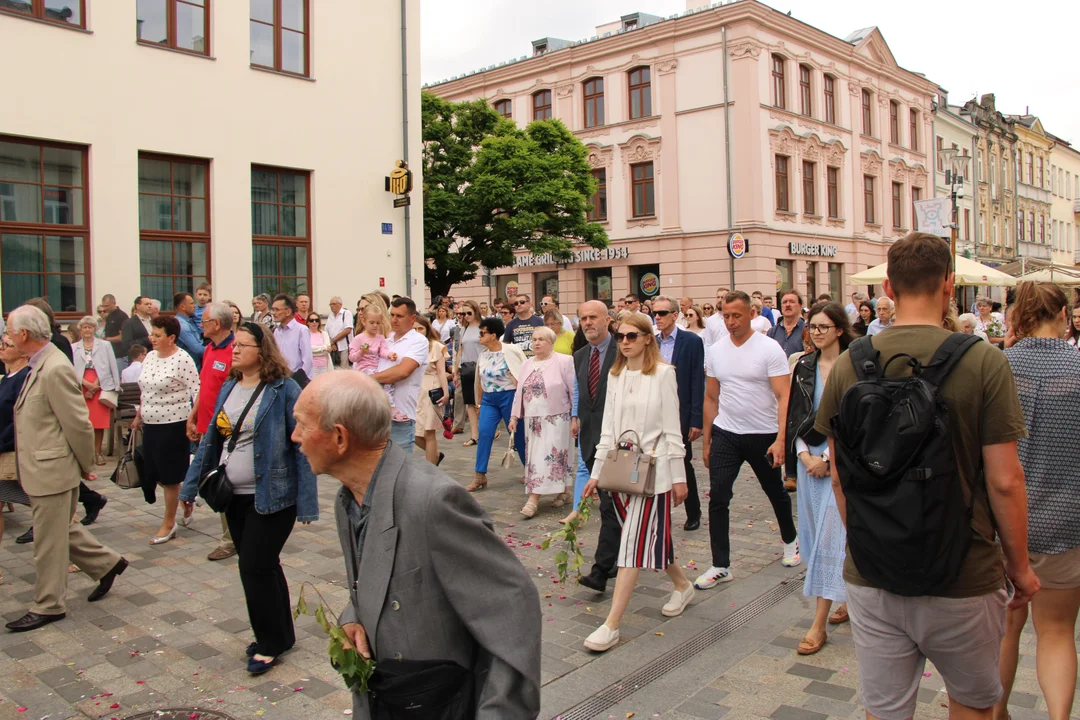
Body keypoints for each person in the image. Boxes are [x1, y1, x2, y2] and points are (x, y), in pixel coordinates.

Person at [815, 232, 1038, 720]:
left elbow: (838, 477)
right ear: (949, 285)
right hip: (964, 569)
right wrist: (1019, 568)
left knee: (885, 710)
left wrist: (869, 541)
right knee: (974, 706)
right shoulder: (984, 361)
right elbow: (1005, 481)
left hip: (874, 573)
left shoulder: (850, 364)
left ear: (889, 288)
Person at [289, 373, 540, 717]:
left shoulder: (433, 501)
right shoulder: (347, 498)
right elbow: (378, 577)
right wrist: (354, 615)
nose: (295, 437)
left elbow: (514, 610)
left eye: (302, 424)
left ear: (339, 437)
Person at [181, 321, 317, 675]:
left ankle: (270, 644)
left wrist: (307, 501)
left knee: (253, 565)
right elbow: (212, 441)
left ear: (262, 351)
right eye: (234, 345)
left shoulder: (284, 389)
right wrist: (189, 488)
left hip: (272, 495)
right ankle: (280, 635)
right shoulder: (230, 387)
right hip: (233, 496)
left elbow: (301, 446)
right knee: (263, 566)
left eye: (243, 345)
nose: (235, 350)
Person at [4, 306, 128, 633]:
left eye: (9, 330)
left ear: (24, 335)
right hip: (42, 467)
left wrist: (87, 464)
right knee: (59, 529)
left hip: (52, 469)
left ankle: (48, 605)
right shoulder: (39, 363)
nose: (6, 336)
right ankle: (108, 564)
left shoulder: (54, 367)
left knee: (47, 541)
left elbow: (78, 424)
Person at [579, 313, 696, 651]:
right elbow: (607, 430)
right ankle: (682, 585)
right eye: (620, 336)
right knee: (646, 536)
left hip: (655, 473)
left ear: (648, 338)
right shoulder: (614, 375)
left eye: (632, 335)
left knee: (631, 544)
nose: (625, 341)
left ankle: (611, 625)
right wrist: (596, 473)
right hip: (621, 469)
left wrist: (679, 478)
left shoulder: (663, 375)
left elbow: (673, 430)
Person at [997, 282, 1080, 720]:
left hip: (1003, 522)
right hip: (1068, 520)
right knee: (1058, 632)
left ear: (1019, 316)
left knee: (1005, 632)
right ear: (1064, 314)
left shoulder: (999, 365)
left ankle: (997, 714)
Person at [696, 291, 800, 590]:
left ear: (752, 314)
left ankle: (791, 540)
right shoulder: (716, 350)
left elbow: (784, 397)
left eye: (736, 316)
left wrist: (781, 439)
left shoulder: (769, 348)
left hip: (763, 434)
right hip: (727, 433)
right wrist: (707, 440)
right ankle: (720, 564)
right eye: (726, 316)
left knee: (774, 491)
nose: (731, 322)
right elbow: (711, 397)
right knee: (718, 496)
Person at [786, 301, 852, 655]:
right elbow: (795, 415)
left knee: (832, 535)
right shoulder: (803, 365)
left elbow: (856, 419)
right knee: (814, 538)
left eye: (824, 327)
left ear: (840, 330)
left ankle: (818, 623)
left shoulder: (854, 365)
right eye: (813, 326)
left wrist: (828, 458)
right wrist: (804, 455)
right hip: (807, 460)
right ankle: (844, 596)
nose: (816, 332)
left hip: (840, 463)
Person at [131, 315, 201, 545]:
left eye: (157, 335)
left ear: (172, 338)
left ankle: (169, 523)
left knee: (170, 477)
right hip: (150, 423)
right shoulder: (150, 357)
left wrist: (193, 419)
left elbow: (197, 391)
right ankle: (184, 497)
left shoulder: (183, 359)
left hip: (173, 425)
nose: (152, 338)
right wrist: (139, 414)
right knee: (154, 472)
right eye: (152, 334)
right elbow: (145, 389)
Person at [184, 302, 238, 562]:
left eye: (204, 321)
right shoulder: (209, 349)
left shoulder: (234, 351)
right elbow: (205, 388)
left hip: (224, 431)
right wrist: (194, 416)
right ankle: (232, 535)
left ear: (217, 324)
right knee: (215, 481)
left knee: (223, 483)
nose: (200, 325)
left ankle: (230, 540)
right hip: (207, 427)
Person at [508, 327, 575, 517]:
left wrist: (575, 418)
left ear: (551, 342)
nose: (536, 343)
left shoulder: (564, 361)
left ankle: (533, 498)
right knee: (536, 457)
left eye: (541, 339)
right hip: (532, 419)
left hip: (557, 418)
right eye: (534, 339)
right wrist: (514, 416)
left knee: (552, 456)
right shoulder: (527, 364)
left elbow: (573, 391)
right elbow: (519, 392)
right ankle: (564, 491)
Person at [652, 296, 706, 531]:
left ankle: (693, 512)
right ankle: (655, 512)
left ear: (675, 315)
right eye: (655, 313)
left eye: (663, 313)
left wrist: (696, 419)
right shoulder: (651, 341)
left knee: (682, 460)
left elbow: (697, 381)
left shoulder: (691, 341)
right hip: (655, 411)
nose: (658, 317)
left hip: (681, 411)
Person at [468, 316, 527, 491]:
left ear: (493, 335)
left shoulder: (511, 350)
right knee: (484, 433)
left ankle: (530, 470)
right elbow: (479, 380)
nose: (479, 336)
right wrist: (478, 404)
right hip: (489, 399)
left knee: (517, 434)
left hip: (509, 396)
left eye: (482, 333)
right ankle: (480, 475)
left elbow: (524, 370)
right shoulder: (483, 355)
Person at [370, 298, 430, 453]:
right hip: (379, 413)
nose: (394, 320)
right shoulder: (386, 341)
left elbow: (403, 371)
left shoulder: (418, 341)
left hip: (402, 414)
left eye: (399, 316)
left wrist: (369, 379)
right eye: (392, 315)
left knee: (400, 467)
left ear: (412, 319)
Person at [0, 332, 33, 585]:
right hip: (4, 452)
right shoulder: (7, 377)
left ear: (22, 351)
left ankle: (75, 556)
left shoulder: (24, 377)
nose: (2, 347)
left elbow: (18, 419)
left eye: (7, 344)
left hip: (16, 453)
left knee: (45, 507)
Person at [72, 316, 121, 466]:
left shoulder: (105, 345)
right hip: (81, 384)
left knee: (98, 423)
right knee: (82, 422)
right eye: (85, 327)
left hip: (101, 384)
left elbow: (111, 365)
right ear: (80, 330)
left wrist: (96, 385)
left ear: (95, 329)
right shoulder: (74, 347)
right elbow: (71, 369)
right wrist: (85, 384)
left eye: (90, 327)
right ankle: (84, 454)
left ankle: (98, 453)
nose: (87, 330)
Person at [411, 315, 449, 466]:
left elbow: (441, 372)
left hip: (432, 389)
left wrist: (446, 393)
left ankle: (431, 468)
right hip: (415, 391)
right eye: (414, 329)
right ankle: (435, 455)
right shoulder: (409, 345)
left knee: (429, 431)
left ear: (427, 329)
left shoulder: (435, 346)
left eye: (421, 328)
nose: (418, 331)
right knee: (414, 432)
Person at [453, 300, 483, 445]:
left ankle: (488, 430)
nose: (466, 316)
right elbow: (460, 349)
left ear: (476, 311)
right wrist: (455, 369)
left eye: (468, 313)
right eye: (463, 313)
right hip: (466, 367)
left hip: (480, 366)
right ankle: (474, 435)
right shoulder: (463, 329)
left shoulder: (483, 327)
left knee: (482, 402)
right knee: (470, 402)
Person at [271, 294, 312, 387]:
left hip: (297, 380)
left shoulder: (301, 330)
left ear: (288, 311)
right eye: (273, 309)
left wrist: (299, 379)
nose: (273, 313)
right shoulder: (277, 331)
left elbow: (307, 359)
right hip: (280, 378)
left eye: (277, 310)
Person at [767, 289, 806, 356]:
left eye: (792, 302)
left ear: (800, 306)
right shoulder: (772, 332)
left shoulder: (807, 330)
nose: (788, 305)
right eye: (785, 302)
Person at [173, 292, 205, 369]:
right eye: (191, 303)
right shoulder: (182, 325)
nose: (194, 306)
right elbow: (197, 349)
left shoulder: (190, 320)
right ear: (182, 307)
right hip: (190, 368)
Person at [100, 293, 129, 368]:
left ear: (114, 303)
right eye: (103, 306)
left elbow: (123, 337)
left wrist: (106, 339)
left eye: (107, 306)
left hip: (120, 355)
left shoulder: (122, 316)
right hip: (110, 354)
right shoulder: (109, 316)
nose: (105, 308)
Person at [325, 296, 354, 370]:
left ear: (340, 305)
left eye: (334, 304)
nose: (332, 306)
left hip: (344, 347)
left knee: (344, 370)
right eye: (330, 304)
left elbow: (347, 330)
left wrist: (333, 340)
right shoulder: (330, 316)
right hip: (333, 348)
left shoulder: (346, 313)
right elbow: (326, 331)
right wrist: (331, 342)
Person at [306, 313, 333, 378]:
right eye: (311, 320)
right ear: (308, 322)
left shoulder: (324, 333)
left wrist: (315, 351)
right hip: (312, 366)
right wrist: (323, 348)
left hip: (324, 366)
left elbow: (328, 350)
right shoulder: (305, 334)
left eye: (316, 320)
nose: (314, 322)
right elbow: (308, 349)